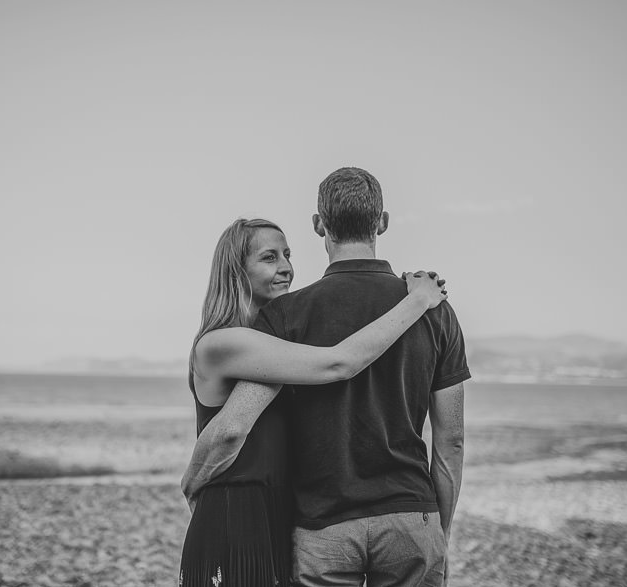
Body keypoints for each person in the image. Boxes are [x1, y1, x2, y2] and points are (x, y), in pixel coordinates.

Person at [187, 168, 471, 586]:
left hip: (319, 523)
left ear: (319, 224)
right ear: (383, 222)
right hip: (409, 513)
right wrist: (437, 529)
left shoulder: (284, 318)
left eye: (286, 255)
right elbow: (452, 441)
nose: (285, 267)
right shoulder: (434, 310)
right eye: (270, 257)